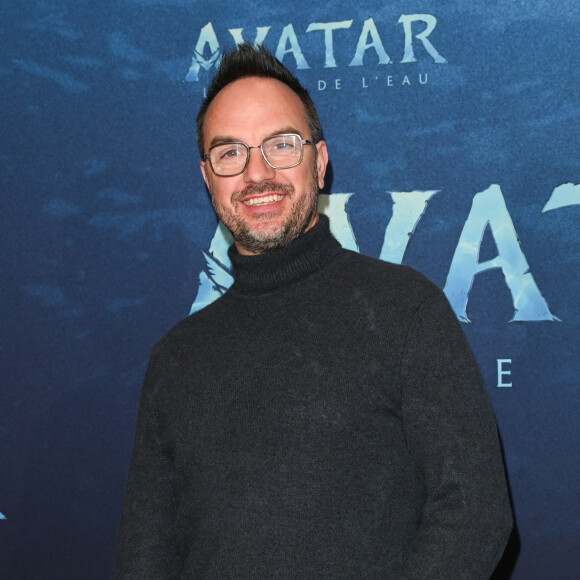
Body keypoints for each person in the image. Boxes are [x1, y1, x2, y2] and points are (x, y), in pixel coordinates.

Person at [113, 43, 512, 579]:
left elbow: (475, 512)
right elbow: (145, 555)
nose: (257, 173)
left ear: (319, 162)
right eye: (230, 152)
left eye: (281, 145)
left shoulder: (404, 310)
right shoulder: (175, 356)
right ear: (208, 179)